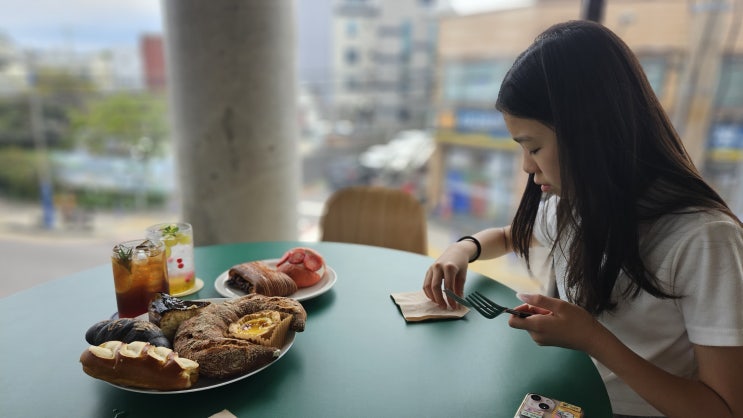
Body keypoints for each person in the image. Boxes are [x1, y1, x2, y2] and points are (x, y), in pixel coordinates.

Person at [422, 20, 743, 418]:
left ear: (589, 134)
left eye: (534, 147)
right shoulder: (574, 205)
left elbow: (725, 408)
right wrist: (463, 249)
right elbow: (510, 236)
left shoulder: (703, 239)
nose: (527, 166)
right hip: (567, 397)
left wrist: (593, 339)